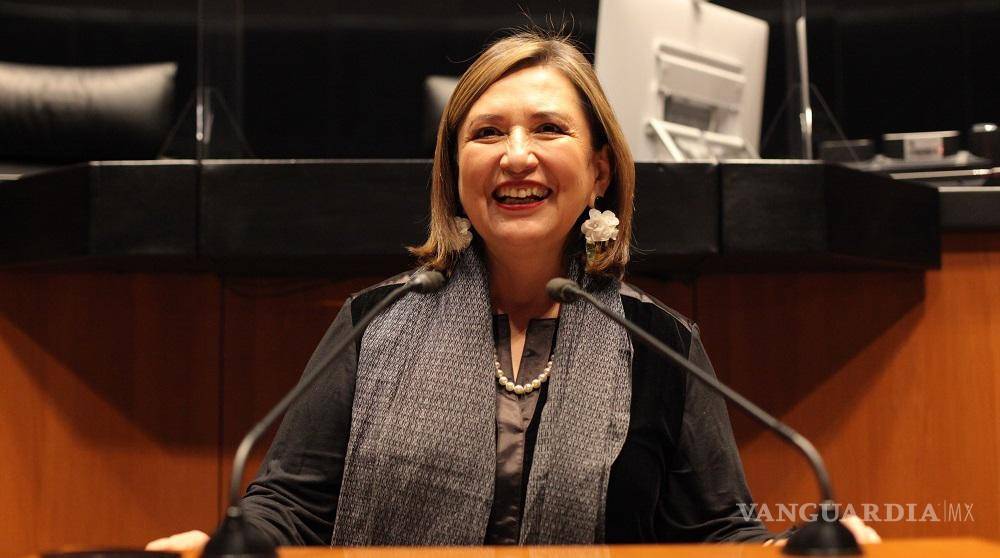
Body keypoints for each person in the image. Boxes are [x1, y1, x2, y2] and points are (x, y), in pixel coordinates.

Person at [148, 30, 880, 550]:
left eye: (548, 129)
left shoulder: (659, 343)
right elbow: (290, 506)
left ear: (599, 171)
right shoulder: (377, 320)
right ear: (454, 171)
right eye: (488, 133)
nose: (516, 156)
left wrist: (792, 550)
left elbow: (720, 533)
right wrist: (222, 544)